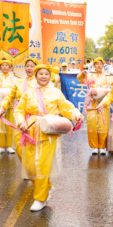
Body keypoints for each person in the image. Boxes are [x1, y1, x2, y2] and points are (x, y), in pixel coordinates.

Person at [14, 64, 82, 211]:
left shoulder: (56, 93)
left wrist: (75, 114)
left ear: (50, 76)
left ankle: (40, 198)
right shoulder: (28, 93)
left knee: (42, 165)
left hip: (49, 132)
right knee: (30, 167)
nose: (43, 76)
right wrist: (21, 122)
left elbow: (66, 107)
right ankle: (47, 186)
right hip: (30, 131)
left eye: (46, 74)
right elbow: (19, 110)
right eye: (40, 74)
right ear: (36, 76)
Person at [0, 58, 38, 164]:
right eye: (27, 66)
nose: (29, 68)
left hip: (35, 115)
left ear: (36, 68)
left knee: (34, 142)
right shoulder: (19, 82)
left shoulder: (39, 82)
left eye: (32, 66)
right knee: (19, 143)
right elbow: (10, 97)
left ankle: (34, 167)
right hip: (20, 115)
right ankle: (26, 166)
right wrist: (2, 107)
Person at [78, 57, 112, 154]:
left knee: (103, 125)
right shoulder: (89, 75)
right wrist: (82, 73)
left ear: (103, 65)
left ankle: (102, 146)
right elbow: (80, 79)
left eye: (101, 64)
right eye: (97, 64)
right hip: (91, 103)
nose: (99, 66)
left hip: (103, 104)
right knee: (92, 125)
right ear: (94, 65)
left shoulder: (108, 76)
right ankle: (94, 147)